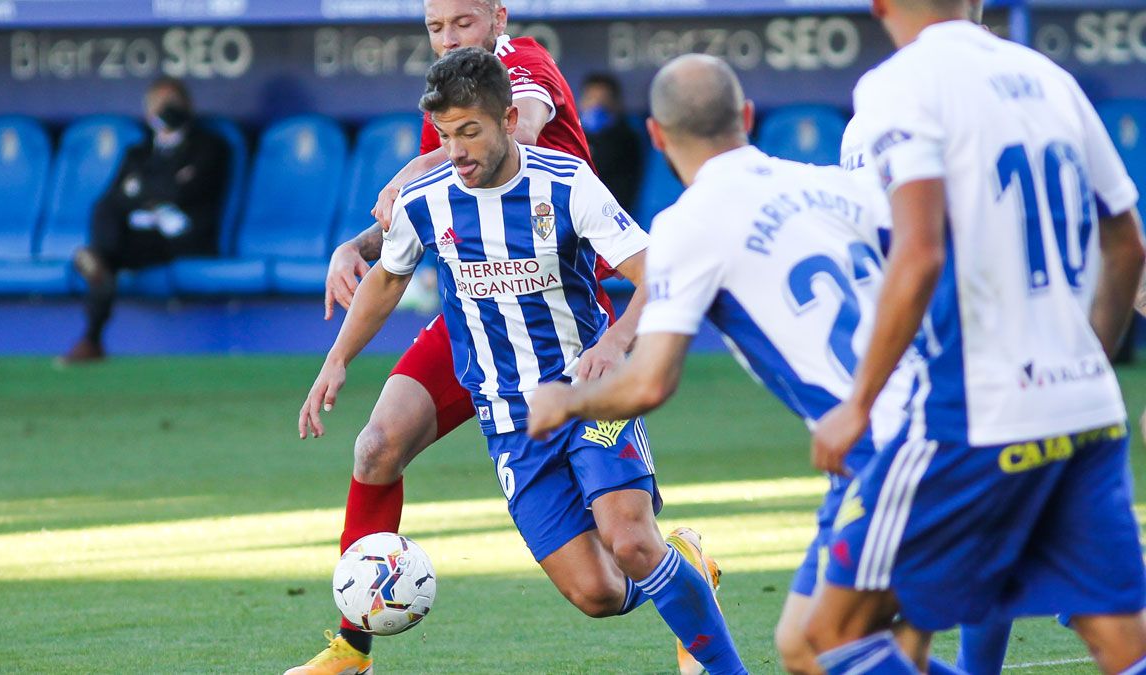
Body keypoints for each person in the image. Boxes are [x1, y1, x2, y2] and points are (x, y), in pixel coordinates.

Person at [297, 48, 747, 675]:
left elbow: (658, 273)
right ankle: (688, 568)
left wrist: (615, 343)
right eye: (447, 134)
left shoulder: (564, 184)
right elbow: (386, 280)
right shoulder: (426, 199)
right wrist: (337, 359)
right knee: (597, 593)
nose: (457, 151)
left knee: (630, 539)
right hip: (510, 421)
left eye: (471, 132)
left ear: (509, 119)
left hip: (591, 396)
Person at [526, 53, 965, 675]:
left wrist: (566, 401)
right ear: (749, 117)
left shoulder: (689, 224)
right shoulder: (837, 185)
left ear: (655, 135)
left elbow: (651, 381)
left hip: (892, 448)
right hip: (940, 421)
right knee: (803, 646)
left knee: (829, 644)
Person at [803, 0, 1146, 672]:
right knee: (1125, 645)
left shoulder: (898, 86)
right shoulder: (1051, 79)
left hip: (976, 409)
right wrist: (1083, 359)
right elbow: (1128, 245)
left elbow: (918, 252)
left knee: (831, 635)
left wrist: (860, 402)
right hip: (1085, 406)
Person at [60, 76, 229, 364]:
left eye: (172, 103)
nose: (166, 110)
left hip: (182, 236)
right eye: (159, 105)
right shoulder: (138, 152)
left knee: (109, 256)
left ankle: (94, 312)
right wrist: (148, 195)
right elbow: (115, 198)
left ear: (187, 106)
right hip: (139, 236)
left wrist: (142, 192)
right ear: (148, 112)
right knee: (105, 212)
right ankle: (100, 264)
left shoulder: (210, 146)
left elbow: (183, 192)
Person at [579, 72, 643, 209]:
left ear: (615, 105)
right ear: (582, 102)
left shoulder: (626, 140)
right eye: (591, 99)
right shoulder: (572, 136)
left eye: (603, 101)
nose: (596, 106)